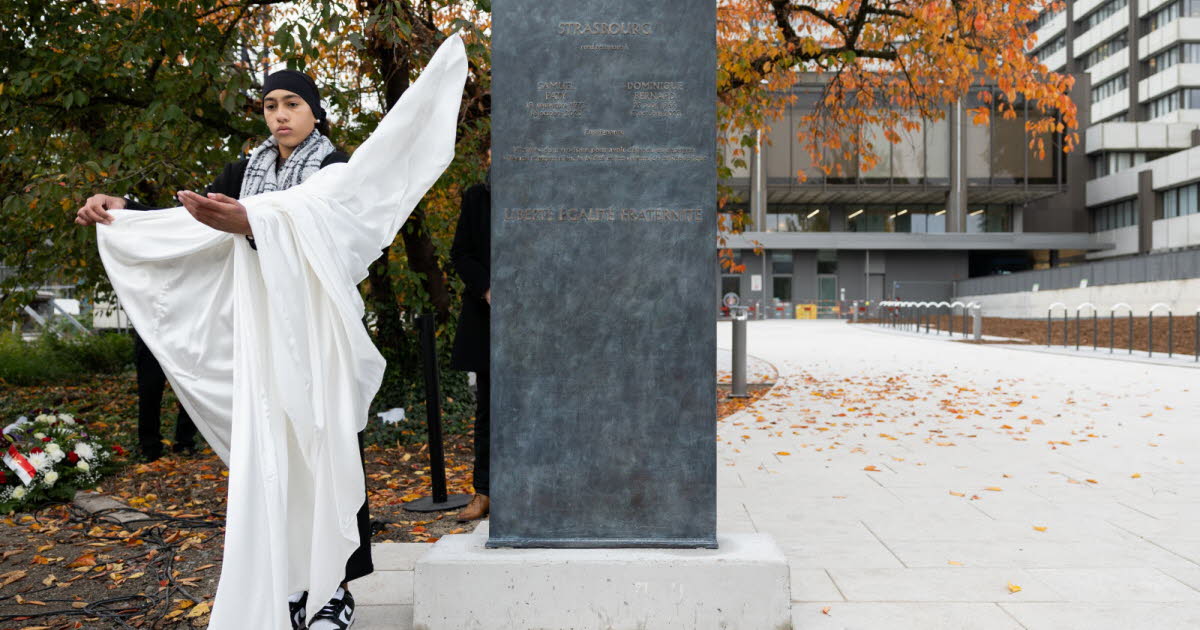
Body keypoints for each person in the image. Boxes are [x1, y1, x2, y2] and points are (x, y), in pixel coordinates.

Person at [77, 67, 376, 630]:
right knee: (275, 455)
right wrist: (124, 210)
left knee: (327, 446)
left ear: (315, 111)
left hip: (314, 332)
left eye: (291, 104)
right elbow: (195, 221)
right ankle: (292, 582)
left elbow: (340, 239)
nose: (280, 115)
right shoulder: (247, 170)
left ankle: (336, 589)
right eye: (269, 106)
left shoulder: (336, 169)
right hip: (260, 336)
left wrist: (255, 222)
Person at [450, 160, 491, 522]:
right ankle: (484, 492)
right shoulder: (477, 197)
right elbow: (460, 253)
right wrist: (487, 289)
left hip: (543, 319)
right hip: (489, 318)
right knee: (489, 409)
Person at [132, 329, 198, 460]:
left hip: (184, 333)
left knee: (190, 389)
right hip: (150, 333)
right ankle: (149, 444)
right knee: (149, 392)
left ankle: (185, 440)